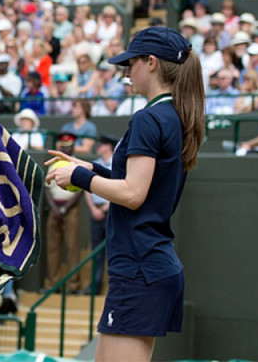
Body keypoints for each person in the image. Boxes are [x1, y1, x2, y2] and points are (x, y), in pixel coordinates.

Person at [46, 26, 205, 360]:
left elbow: (133, 193)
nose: (126, 72)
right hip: (142, 268)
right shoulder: (172, 115)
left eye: (130, 64)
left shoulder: (151, 117)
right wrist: (92, 169)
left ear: (150, 63)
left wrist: (79, 176)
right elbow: (141, 183)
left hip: (140, 269)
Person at [43, 132, 84, 294]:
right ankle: (53, 283)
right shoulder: (55, 164)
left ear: (73, 147)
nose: (66, 149)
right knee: (52, 247)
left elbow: (81, 191)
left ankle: (74, 284)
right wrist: (54, 207)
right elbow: (47, 188)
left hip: (71, 208)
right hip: (54, 208)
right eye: (63, 146)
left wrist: (66, 208)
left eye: (69, 147)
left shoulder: (77, 164)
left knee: (72, 246)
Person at [84, 134, 117, 295]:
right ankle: (94, 285)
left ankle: (113, 287)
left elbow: (118, 186)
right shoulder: (95, 164)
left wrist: (106, 207)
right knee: (95, 250)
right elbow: (87, 191)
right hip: (95, 209)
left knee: (113, 250)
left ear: (109, 146)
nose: (99, 147)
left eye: (102, 144)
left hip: (112, 211)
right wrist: (93, 209)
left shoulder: (117, 164)